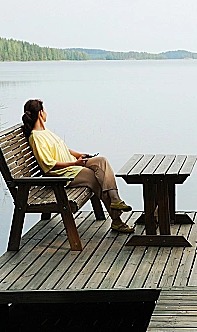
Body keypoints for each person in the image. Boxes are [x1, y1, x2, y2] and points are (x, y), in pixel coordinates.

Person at [21, 99, 134, 233]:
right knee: (96, 178)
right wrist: (75, 163)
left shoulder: (46, 132)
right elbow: (48, 164)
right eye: (44, 110)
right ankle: (117, 221)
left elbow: (63, 149)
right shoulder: (36, 137)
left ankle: (115, 199)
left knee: (101, 161)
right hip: (63, 174)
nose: (46, 113)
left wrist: (79, 155)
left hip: (74, 165)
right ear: (40, 113)